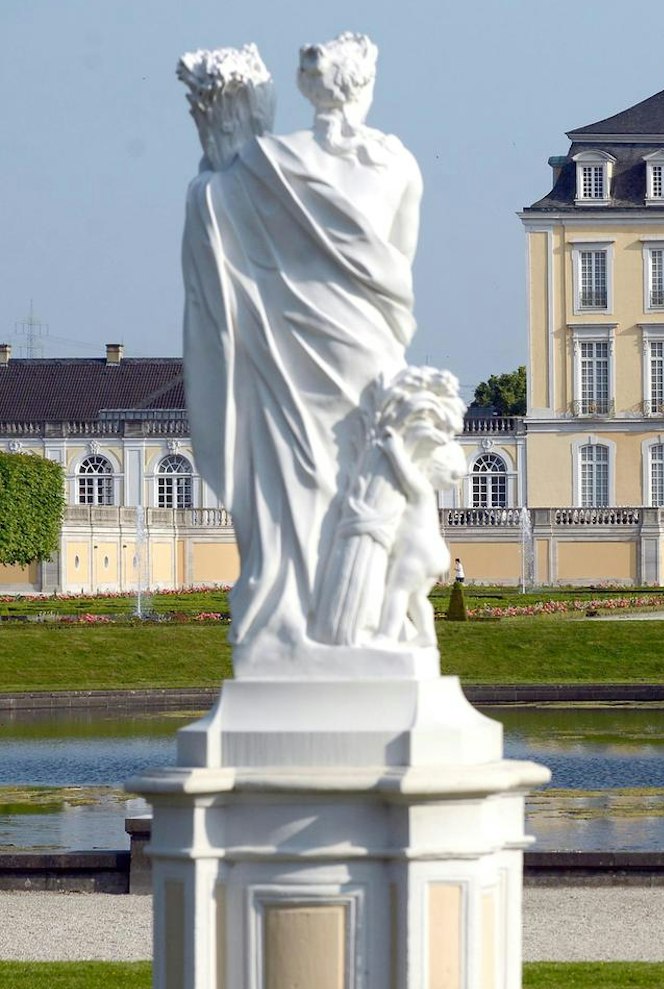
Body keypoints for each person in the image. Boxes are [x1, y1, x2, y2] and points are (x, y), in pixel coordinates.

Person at [179, 34, 424, 669]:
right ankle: (359, 624)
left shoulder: (263, 162)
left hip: (285, 347)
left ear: (304, 87)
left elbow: (216, 216)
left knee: (293, 485)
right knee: (355, 480)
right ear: (367, 84)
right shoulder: (398, 164)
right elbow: (398, 267)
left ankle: (288, 621)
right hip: (366, 346)